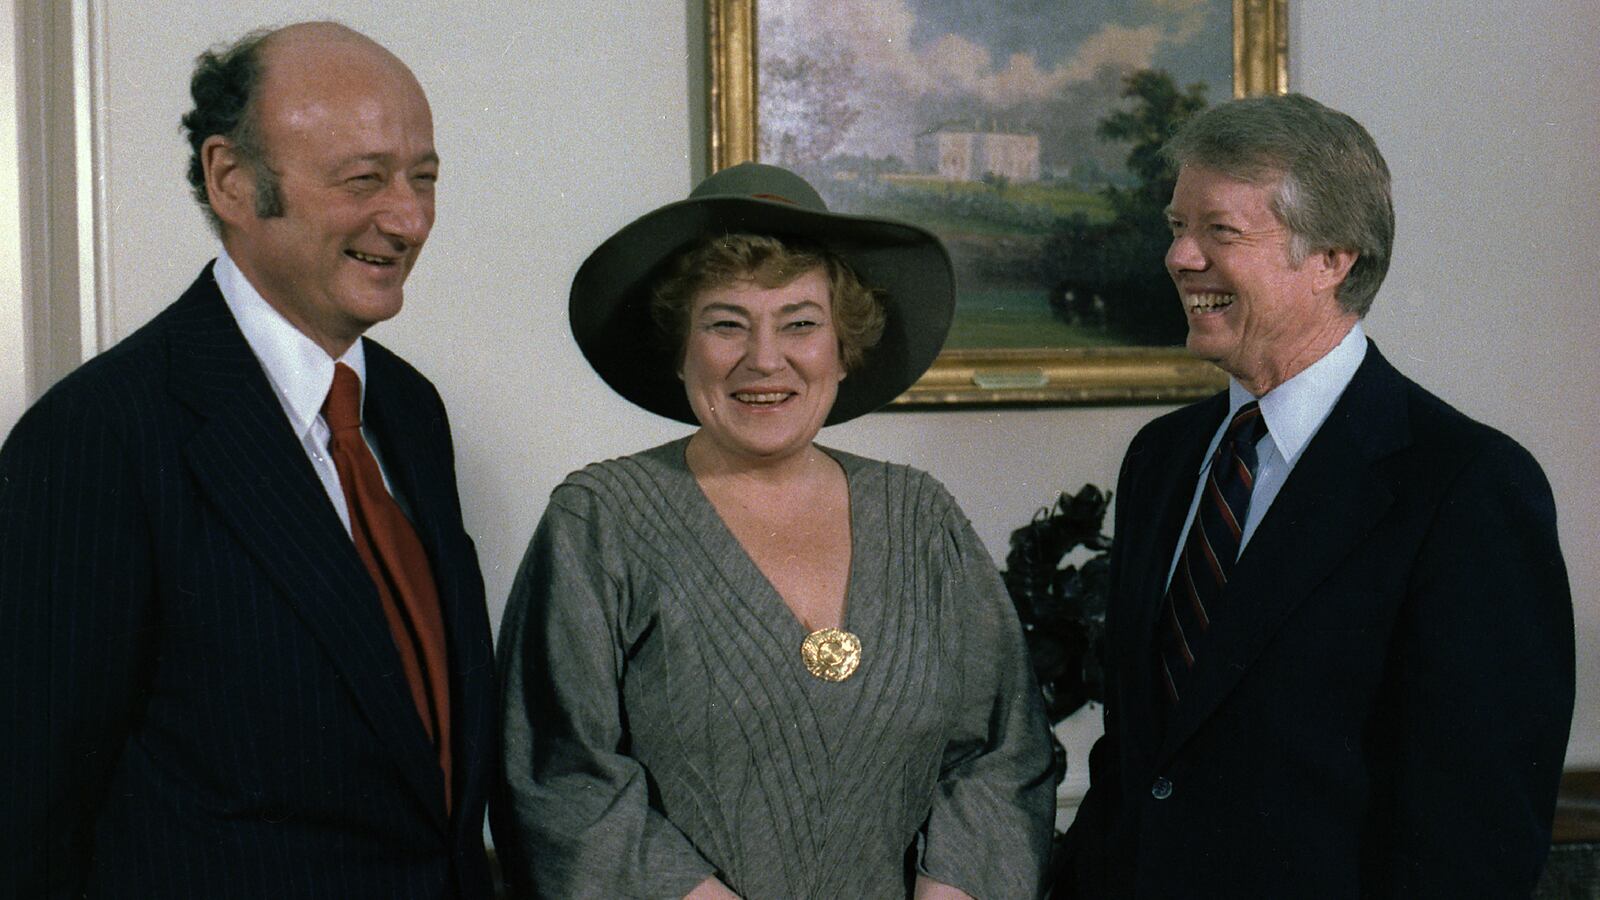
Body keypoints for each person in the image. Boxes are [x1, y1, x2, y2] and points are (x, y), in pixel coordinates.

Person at [0, 22, 496, 898]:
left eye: (424, 178)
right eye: (365, 178)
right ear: (232, 181)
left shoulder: (411, 413)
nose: (410, 218)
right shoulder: (95, 437)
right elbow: (27, 813)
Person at [492, 163, 1056, 899]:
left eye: (800, 323)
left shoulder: (922, 518)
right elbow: (558, 776)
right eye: (727, 323)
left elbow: (1004, 755)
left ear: (843, 346)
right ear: (680, 345)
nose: (765, 359)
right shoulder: (601, 519)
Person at [1058, 93, 1574, 897]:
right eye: (1176, 227)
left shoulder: (1467, 485)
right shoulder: (1160, 459)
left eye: (1219, 231)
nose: (1179, 257)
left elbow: (1476, 838)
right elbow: (1138, 759)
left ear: (1332, 259)